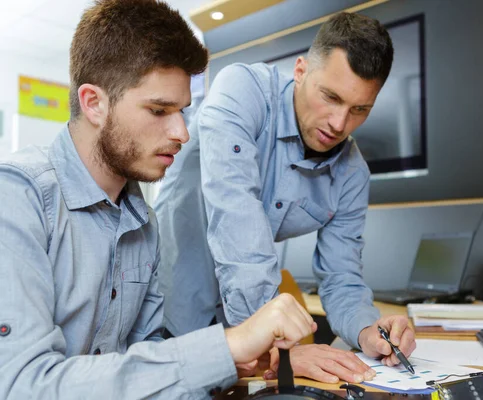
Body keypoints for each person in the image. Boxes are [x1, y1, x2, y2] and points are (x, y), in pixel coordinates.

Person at [0, 1, 316, 399]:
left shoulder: (143, 222)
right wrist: (226, 346)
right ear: (93, 103)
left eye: (182, 111)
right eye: (159, 109)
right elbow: (20, 385)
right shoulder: (16, 198)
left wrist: (224, 364)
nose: (183, 132)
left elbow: (144, 366)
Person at [155, 11, 417, 384]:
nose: (339, 124)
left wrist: (368, 330)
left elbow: (342, 275)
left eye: (360, 110)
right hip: (168, 313)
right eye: (330, 97)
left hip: (245, 332)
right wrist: (280, 346)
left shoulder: (353, 173)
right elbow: (236, 218)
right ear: (300, 70)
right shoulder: (241, 91)